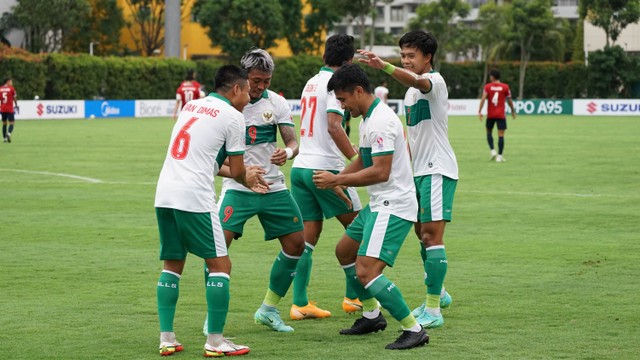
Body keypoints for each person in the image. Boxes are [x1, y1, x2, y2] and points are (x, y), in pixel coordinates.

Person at [313, 63, 428, 350]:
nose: (342, 106)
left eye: (343, 99)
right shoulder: (368, 119)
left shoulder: (380, 122)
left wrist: (337, 178)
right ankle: (372, 314)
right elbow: (364, 161)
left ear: (359, 91)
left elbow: (380, 171)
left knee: (366, 270)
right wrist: (342, 180)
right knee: (344, 251)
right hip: (379, 203)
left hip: (393, 204)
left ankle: (413, 328)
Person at [154, 65, 266, 357]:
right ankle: (215, 342)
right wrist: (247, 176)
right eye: (247, 91)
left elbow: (206, 160)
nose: (248, 97)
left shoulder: (192, 105)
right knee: (220, 266)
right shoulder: (233, 117)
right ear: (236, 89)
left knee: (172, 264)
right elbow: (238, 169)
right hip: (195, 196)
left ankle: (167, 338)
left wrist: (240, 173)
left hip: (165, 192)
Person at [358, 30, 458, 329]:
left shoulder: (433, 82)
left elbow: (417, 80)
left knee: (431, 236)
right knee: (420, 234)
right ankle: (439, 292)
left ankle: (433, 309)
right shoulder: (411, 94)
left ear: (428, 57)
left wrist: (385, 66)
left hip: (437, 168)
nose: (406, 60)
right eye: (403, 56)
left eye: (411, 55)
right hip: (419, 171)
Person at [211, 48, 306, 333]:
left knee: (296, 244)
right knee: (216, 250)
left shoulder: (276, 103)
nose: (261, 86)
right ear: (243, 77)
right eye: (256, 80)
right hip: (237, 188)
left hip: (274, 187)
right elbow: (214, 155)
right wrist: (242, 175)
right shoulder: (226, 107)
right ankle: (213, 319)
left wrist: (286, 154)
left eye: (266, 80)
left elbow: (292, 141)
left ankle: (268, 309)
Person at [290, 34, 364, 319]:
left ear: (324, 57)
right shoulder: (337, 85)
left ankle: (300, 303)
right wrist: (355, 159)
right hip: (326, 169)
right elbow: (334, 126)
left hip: (301, 169)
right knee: (361, 228)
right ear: (348, 62)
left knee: (307, 239)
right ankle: (354, 296)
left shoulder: (311, 82)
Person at [478, 69, 516, 163]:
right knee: (501, 135)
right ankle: (499, 156)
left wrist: (479, 110)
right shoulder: (505, 87)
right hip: (501, 115)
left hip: (491, 115)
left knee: (488, 132)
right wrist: (512, 111)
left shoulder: (488, 87)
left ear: (492, 77)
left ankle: (492, 151)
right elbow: (509, 100)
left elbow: (483, 99)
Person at [1, 77, 18, 143]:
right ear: (8, 81)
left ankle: (4, 138)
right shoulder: (12, 89)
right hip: (9, 109)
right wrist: (16, 105)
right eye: (11, 81)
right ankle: (8, 133)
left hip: (2, 108)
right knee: (12, 123)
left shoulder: (0, 88)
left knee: (4, 123)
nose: (12, 83)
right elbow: (14, 98)